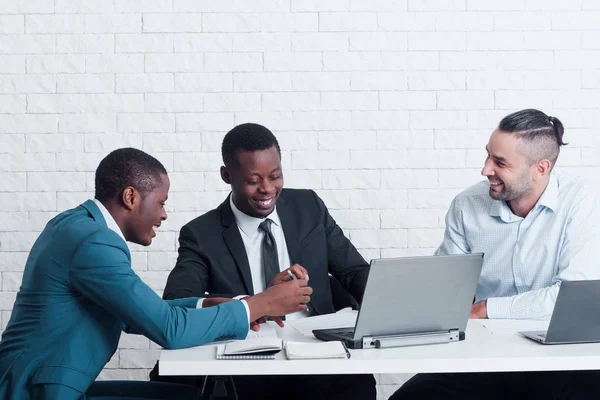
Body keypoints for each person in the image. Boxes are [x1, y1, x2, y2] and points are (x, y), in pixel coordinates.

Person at [0, 148, 312, 400]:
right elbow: (169, 330)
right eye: (161, 202)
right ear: (131, 197)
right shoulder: (93, 241)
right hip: (35, 392)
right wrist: (264, 304)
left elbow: (136, 315)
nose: (164, 214)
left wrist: (213, 304)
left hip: (50, 385)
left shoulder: (78, 226)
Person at [151, 123, 376, 400]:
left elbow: (353, 271)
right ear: (226, 175)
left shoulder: (309, 207)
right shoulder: (201, 234)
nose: (267, 189)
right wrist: (259, 301)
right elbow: (177, 301)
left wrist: (388, 310)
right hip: (249, 361)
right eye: (253, 180)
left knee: (358, 385)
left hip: (317, 353)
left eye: (275, 176)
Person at [391, 109, 600, 399]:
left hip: (561, 359)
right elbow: (445, 286)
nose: (485, 169)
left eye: (500, 162)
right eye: (488, 156)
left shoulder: (583, 202)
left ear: (540, 168)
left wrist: (485, 308)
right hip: (484, 355)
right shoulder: (467, 204)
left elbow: (569, 298)